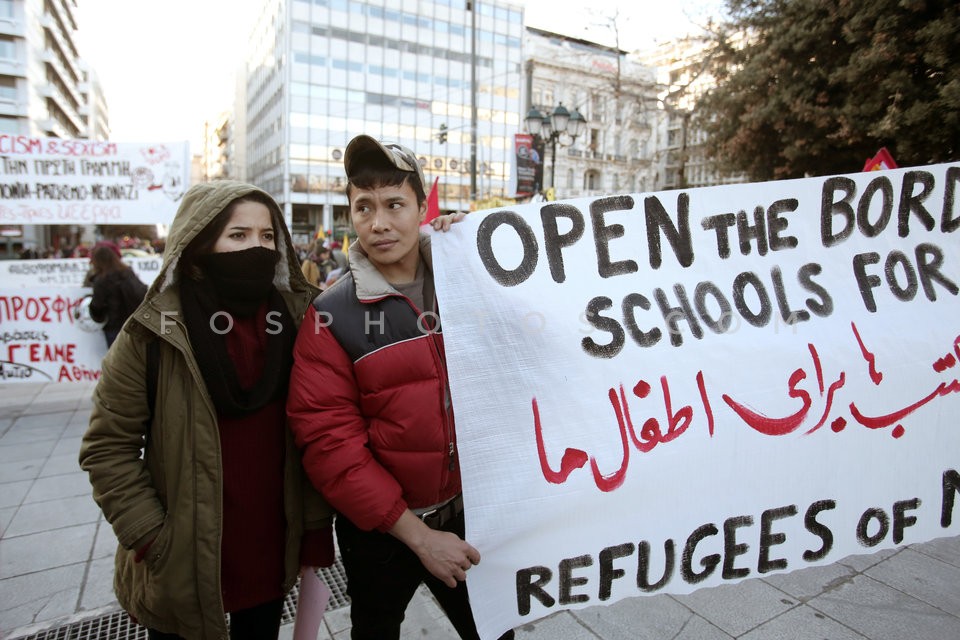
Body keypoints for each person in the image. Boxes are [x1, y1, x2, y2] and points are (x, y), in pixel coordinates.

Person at [79, 180, 334, 640]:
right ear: (197, 247)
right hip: (182, 564)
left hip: (270, 556)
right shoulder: (151, 334)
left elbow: (312, 438)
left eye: (267, 236)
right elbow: (106, 448)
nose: (257, 248)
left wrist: (313, 531)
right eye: (238, 235)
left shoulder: (300, 322)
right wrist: (153, 538)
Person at [286, 135, 513, 640]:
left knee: (496, 629)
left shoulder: (469, 277)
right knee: (374, 630)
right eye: (364, 207)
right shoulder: (330, 315)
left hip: (470, 511)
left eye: (395, 204)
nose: (380, 222)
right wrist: (418, 537)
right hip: (382, 531)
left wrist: (472, 239)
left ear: (421, 207)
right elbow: (330, 446)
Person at [84, 242, 149, 348]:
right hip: (133, 324)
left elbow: (97, 306)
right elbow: (141, 293)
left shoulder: (101, 280)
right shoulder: (128, 273)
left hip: (113, 326)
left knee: (115, 361)